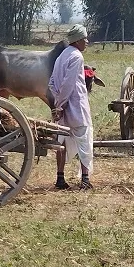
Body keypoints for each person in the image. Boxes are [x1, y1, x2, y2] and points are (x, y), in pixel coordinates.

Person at [48, 24, 94, 190]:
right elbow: (69, 83)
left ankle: (60, 178)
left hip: (62, 108)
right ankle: (85, 180)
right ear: (78, 40)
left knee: (62, 142)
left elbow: (52, 83)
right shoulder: (77, 57)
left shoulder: (61, 56)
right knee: (84, 141)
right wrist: (62, 104)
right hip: (76, 106)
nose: (87, 42)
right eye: (85, 39)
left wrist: (58, 102)